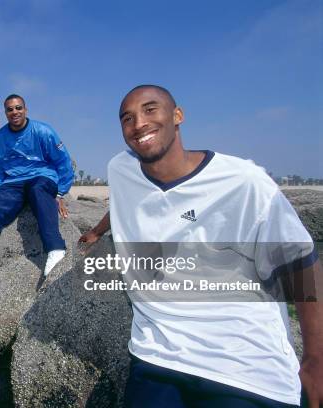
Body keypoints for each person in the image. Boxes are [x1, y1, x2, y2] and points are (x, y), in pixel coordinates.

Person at [80, 85, 323, 407]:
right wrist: (97, 232)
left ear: (177, 115)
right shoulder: (121, 169)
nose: (138, 123)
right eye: (128, 118)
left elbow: (301, 263)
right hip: (157, 354)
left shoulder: (244, 182)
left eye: (150, 110)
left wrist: (315, 361)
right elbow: (125, 201)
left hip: (246, 365)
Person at [0, 94, 74, 280]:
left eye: (18, 108)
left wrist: (60, 193)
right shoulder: (1, 137)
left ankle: (56, 249)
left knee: (38, 192)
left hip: (42, 177)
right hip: (13, 182)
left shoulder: (43, 131)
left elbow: (63, 161)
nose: (15, 112)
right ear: (5, 113)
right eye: (10, 109)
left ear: (25, 110)